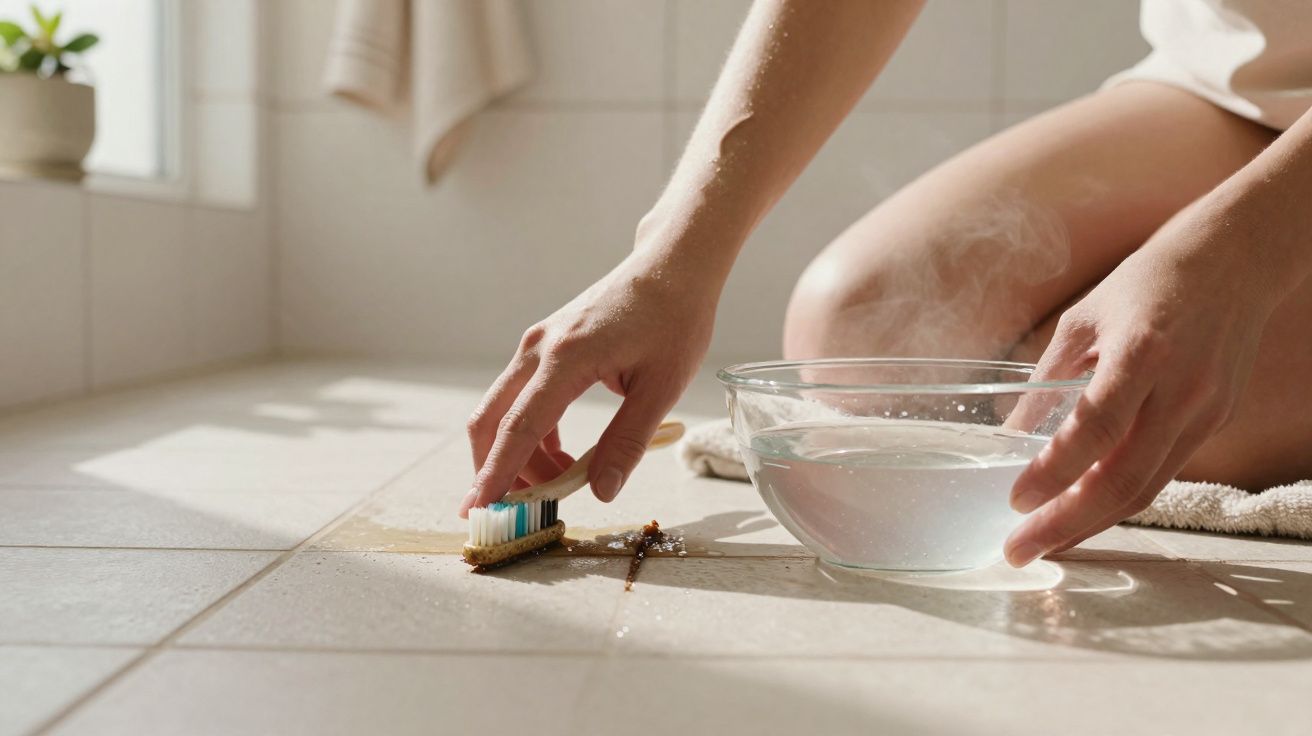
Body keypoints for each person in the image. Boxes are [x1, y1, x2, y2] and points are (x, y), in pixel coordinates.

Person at [460, 0, 1312, 567]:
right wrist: (674, 253)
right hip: (1229, 86)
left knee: (1178, 417)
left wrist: (1243, 251)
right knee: (858, 327)